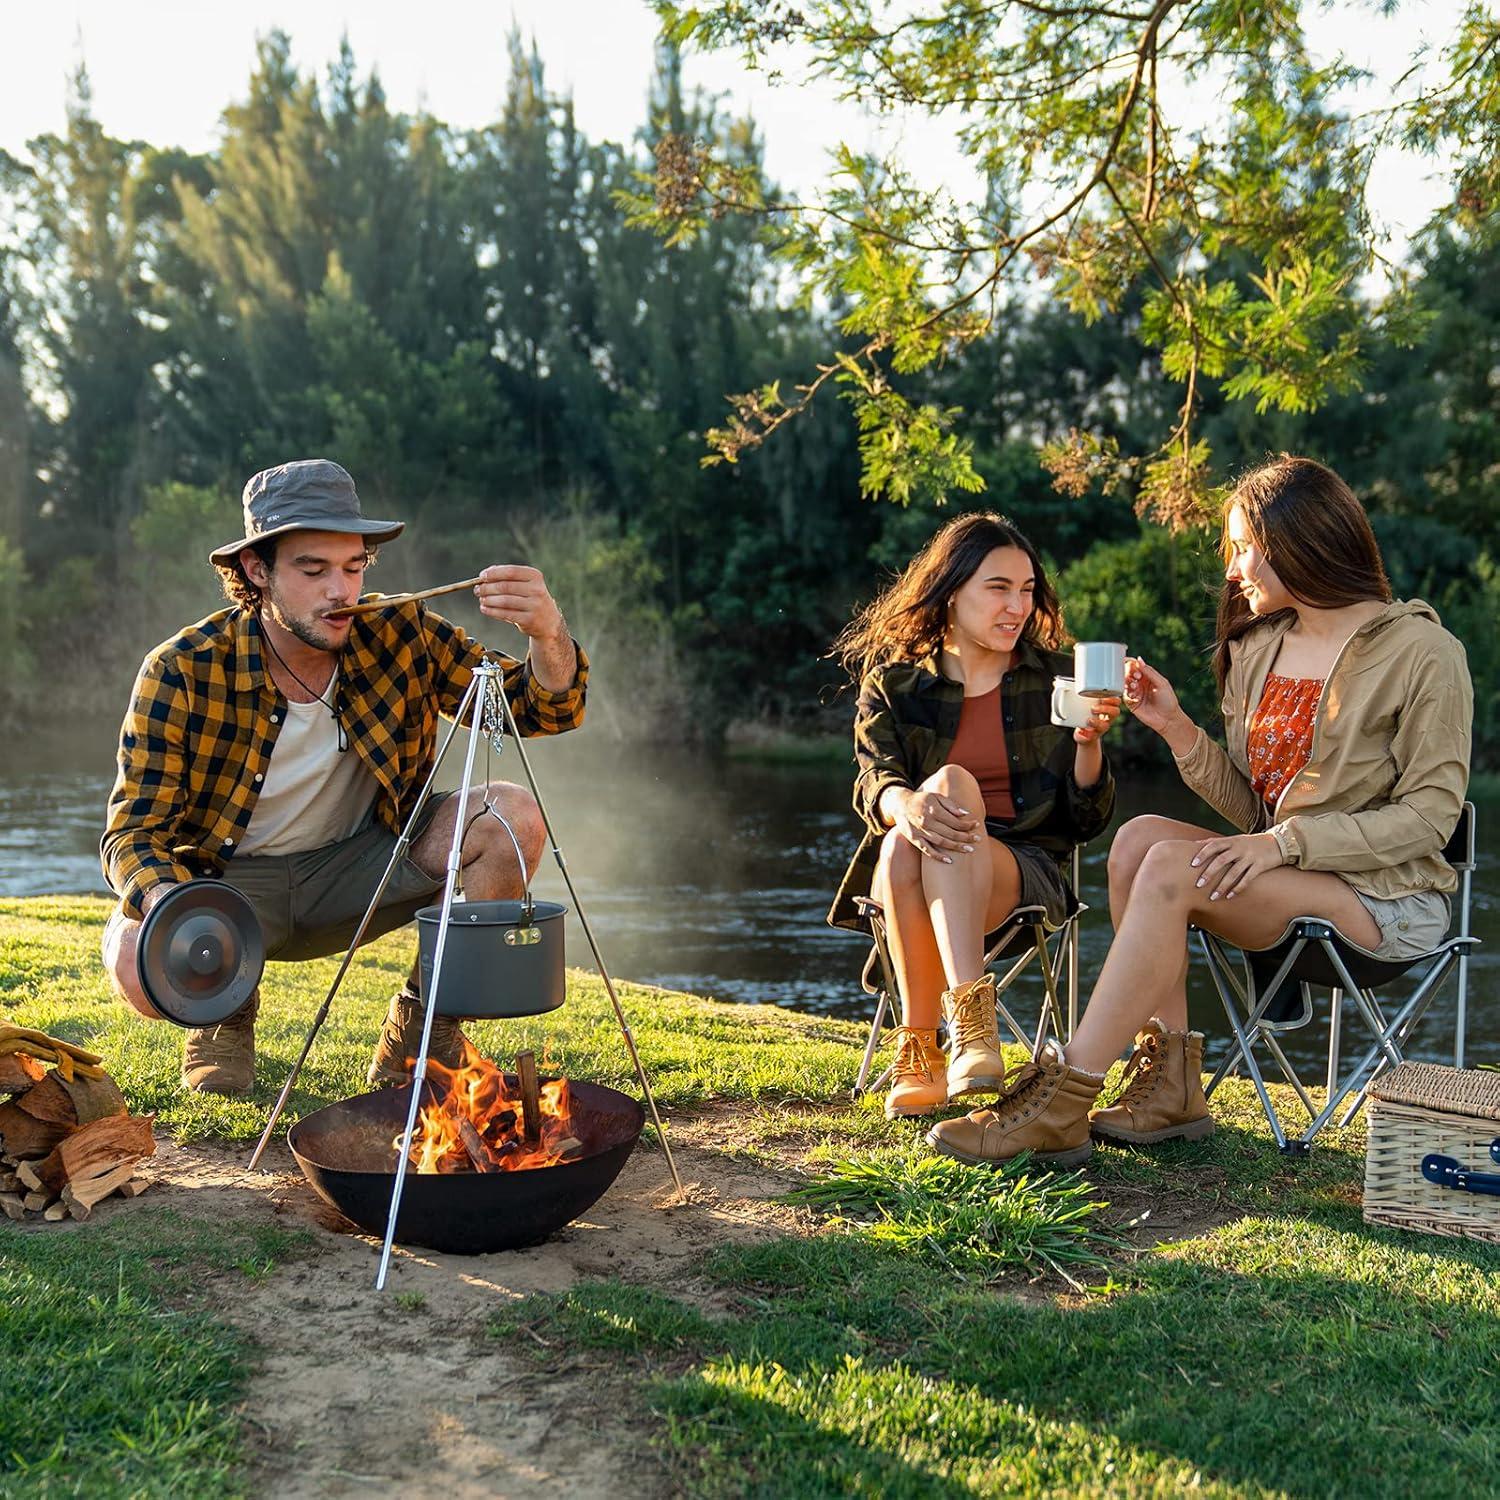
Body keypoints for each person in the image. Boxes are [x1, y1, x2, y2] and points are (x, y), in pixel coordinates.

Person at [928, 454, 1473, 1167]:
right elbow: (1255, 810)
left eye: (1243, 548)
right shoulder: (1261, 646)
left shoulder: (1424, 652)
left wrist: (1282, 846)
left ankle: (1061, 1099)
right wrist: (1175, 725)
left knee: (1169, 868)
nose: (1233, 570)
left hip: (1385, 901)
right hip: (1291, 878)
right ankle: (1171, 1086)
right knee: (1138, 841)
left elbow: (1429, 820)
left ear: (1298, 542)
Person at [101, 458, 588, 1095]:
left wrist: (547, 633)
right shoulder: (182, 669)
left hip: (364, 871)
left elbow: (537, 709)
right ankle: (224, 1011)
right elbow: (133, 835)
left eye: (353, 567)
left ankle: (424, 1029)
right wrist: (180, 914)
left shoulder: (401, 633)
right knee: (135, 955)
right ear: (256, 570)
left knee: (511, 814)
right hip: (231, 891)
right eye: (313, 570)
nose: (341, 591)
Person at [828, 512, 1121, 1120]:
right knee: (904, 837)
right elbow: (874, 779)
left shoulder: (1054, 683)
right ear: (952, 591)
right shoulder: (895, 686)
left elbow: (1085, 823)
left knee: (944, 794)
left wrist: (1089, 745)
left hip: (1020, 874)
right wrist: (906, 804)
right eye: (998, 588)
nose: (1017, 606)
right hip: (911, 875)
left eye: (1027, 590)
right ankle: (948, 1042)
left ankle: (942, 1040)